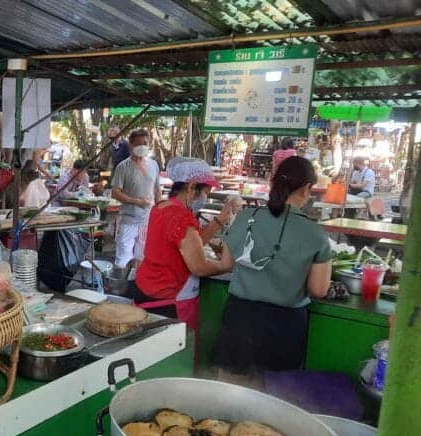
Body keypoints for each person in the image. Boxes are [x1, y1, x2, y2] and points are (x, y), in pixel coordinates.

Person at [214, 156, 332, 385]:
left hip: (240, 318)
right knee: (273, 400)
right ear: (307, 188)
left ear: (273, 181)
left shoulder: (246, 217)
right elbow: (318, 289)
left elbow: (227, 263)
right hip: (283, 326)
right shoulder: (315, 234)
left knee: (228, 392)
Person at [133, 159, 235, 333]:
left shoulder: (161, 207)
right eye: (205, 192)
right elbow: (199, 267)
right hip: (169, 301)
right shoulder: (181, 217)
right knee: (177, 356)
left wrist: (219, 220)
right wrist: (226, 265)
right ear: (191, 187)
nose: (205, 198)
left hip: (147, 290)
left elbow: (190, 242)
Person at [111, 129, 161, 269]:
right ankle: (119, 285)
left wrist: (159, 211)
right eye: (139, 144)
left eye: (145, 143)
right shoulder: (123, 167)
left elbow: (157, 190)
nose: (143, 146)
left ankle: (137, 285)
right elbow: (115, 192)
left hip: (147, 220)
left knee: (143, 256)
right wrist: (136, 201)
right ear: (131, 145)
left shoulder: (153, 165)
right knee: (123, 255)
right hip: (128, 219)